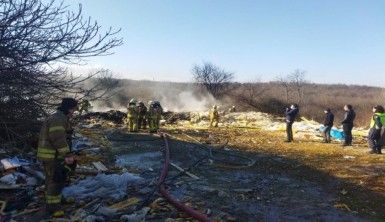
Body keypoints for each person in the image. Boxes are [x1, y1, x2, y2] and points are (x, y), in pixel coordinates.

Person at [37, 98, 78, 217]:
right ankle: (53, 208)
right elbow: (58, 138)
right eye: (74, 109)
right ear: (69, 108)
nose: (74, 112)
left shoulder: (60, 117)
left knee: (55, 180)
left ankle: (57, 200)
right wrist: (67, 154)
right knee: (55, 180)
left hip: (53, 155)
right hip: (52, 156)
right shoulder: (58, 119)